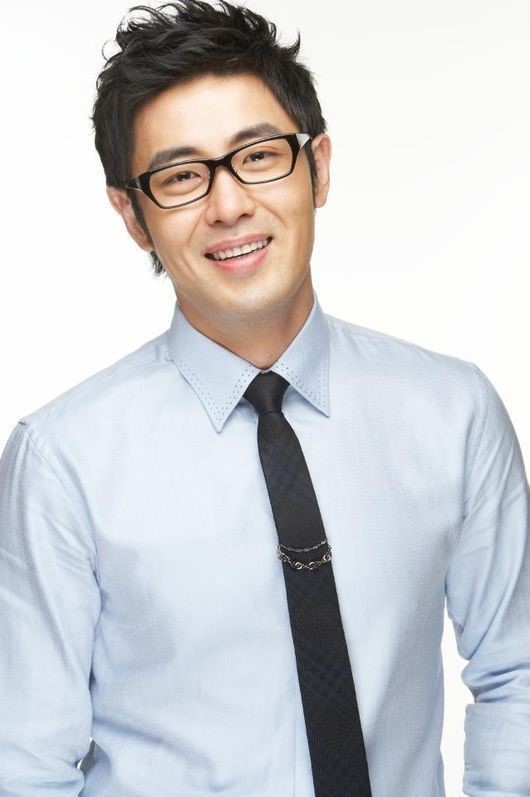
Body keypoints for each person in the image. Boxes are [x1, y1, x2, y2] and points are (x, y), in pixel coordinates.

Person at [0, 1, 528, 795]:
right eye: (181, 176)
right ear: (132, 214)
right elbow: (25, 764)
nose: (229, 205)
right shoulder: (61, 461)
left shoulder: (453, 413)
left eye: (257, 156)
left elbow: (517, 669)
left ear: (319, 167)